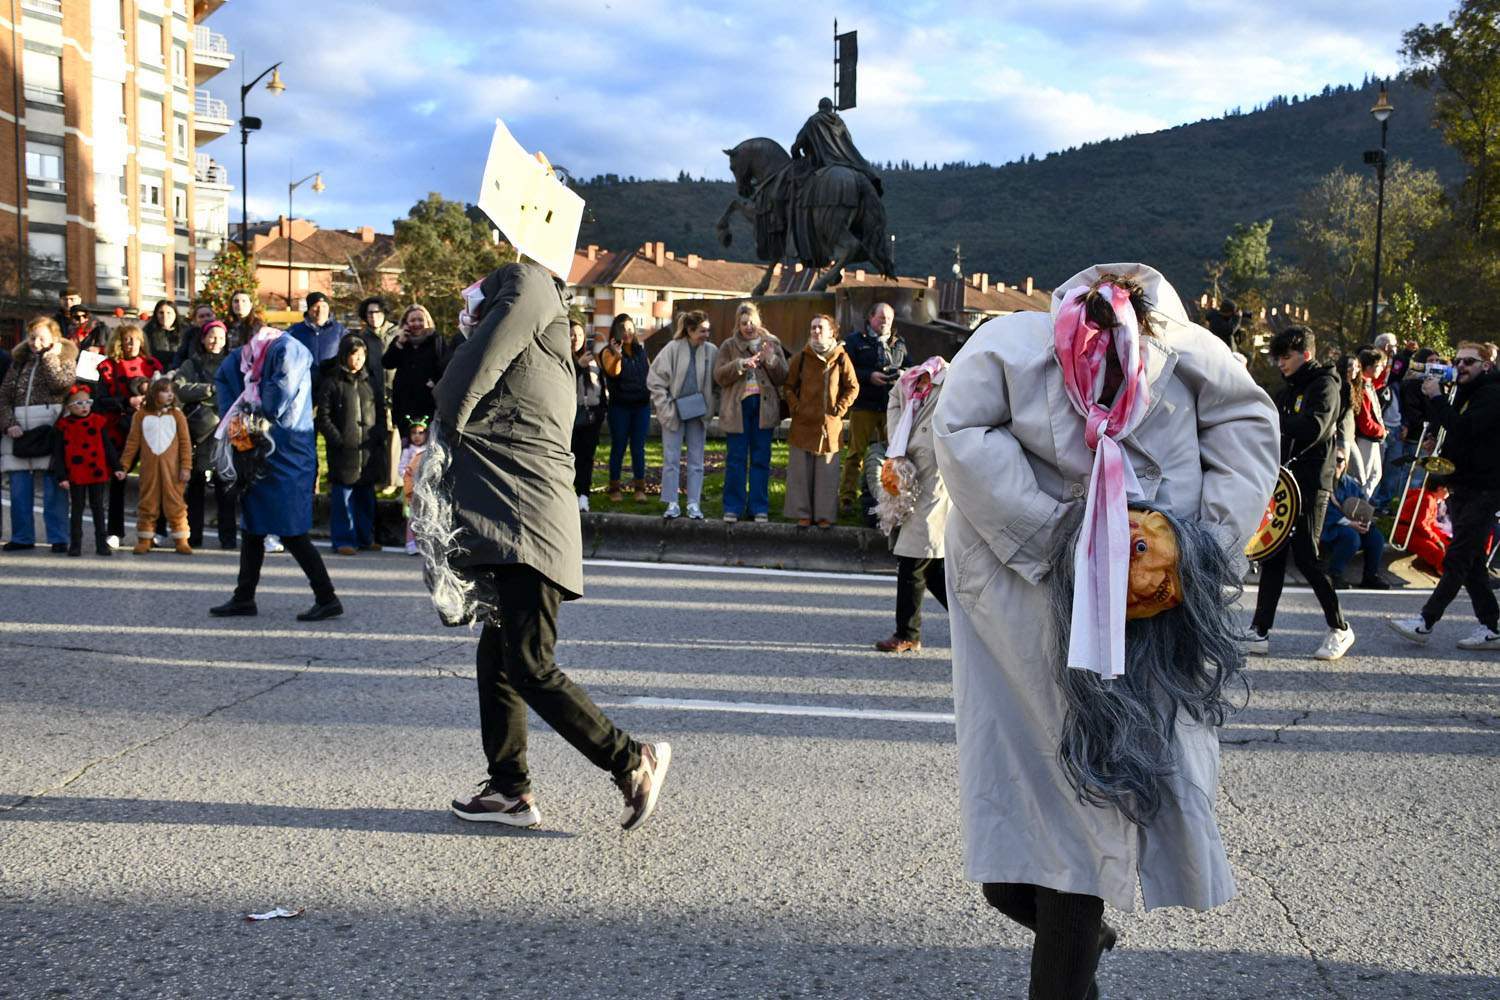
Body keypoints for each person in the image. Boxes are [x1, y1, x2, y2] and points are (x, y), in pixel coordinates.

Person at [933, 264, 1278, 1000]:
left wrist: (1190, 546)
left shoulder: (1192, 352)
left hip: (1146, 623)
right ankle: (1081, 949)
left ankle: (1073, 963)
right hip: (1025, 613)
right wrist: (1059, 536)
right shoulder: (1013, 346)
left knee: (1081, 827)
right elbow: (957, 428)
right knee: (1015, 862)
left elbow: (1250, 431)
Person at [417, 261, 671, 831]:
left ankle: (632, 759)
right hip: (513, 521)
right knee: (499, 655)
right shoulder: (542, 344)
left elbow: (466, 378)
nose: (472, 317)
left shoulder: (529, 284)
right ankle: (509, 789)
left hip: (527, 523)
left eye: (476, 309)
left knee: (529, 662)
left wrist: (440, 431)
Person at [209, 320, 342, 620]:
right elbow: (226, 378)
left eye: (239, 342)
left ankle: (327, 595)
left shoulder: (286, 350)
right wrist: (239, 422)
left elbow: (275, 402)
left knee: (292, 530)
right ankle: (244, 596)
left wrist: (245, 412)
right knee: (253, 527)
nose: (240, 353)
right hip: (265, 448)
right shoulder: (254, 353)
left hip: (287, 451)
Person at [1247, 326, 1356, 661]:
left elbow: (1314, 428)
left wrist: (1273, 421)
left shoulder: (1325, 385)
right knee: (1273, 555)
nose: (1281, 363)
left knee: (1307, 557)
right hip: (1282, 483)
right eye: (1278, 357)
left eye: (1286, 356)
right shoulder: (1286, 390)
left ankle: (1340, 627)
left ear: (1305, 354)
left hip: (1311, 484)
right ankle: (1259, 630)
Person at [1388, 342, 1500, 651]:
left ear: (1486, 366)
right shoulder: (1467, 392)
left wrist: (1437, 398)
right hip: (1464, 485)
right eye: (1459, 360)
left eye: (1470, 362)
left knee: (1457, 557)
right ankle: (1491, 626)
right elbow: (1454, 430)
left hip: (1486, 489)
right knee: (1474, 562)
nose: (1461, 366)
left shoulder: (1492, 394)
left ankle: (1426, 622)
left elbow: (1464, 429)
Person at [874, 357, 951, 651]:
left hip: (935, 478)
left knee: (913, 557)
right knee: (929, 565)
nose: (918, 385)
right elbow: (895, 396)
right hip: (910, 474)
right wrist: (897, 439)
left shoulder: (953, 382)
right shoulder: (912, 380)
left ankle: (907, 633)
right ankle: (977, 622)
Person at [0, 317, 77, 552]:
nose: (35, 342)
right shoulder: (19, 362)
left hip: (49, 430)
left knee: (53, 487)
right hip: (19, 431)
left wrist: (50, 357)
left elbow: (61, 385)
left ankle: (58, 537)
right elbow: (4, 396)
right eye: (32, 337)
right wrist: (8, 423)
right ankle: (22, 536)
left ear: (54, 338)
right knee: (19, 488)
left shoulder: (64, 359)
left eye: (42, 337)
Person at [782, 314, 857, 528]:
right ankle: (803, 513)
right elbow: (788, 386)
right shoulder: (802, 357)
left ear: (832, 331)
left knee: (827, 472)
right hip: (803, 424)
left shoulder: (841, 357)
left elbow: (853, 387)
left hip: (829, 427)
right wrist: (796, 407)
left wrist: (839, 410)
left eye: (820, 328)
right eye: (813, 327)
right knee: (800, 472)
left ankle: (824, 515)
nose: (816, 332)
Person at [714, 302, 787, 523]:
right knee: (736, 459)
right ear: (738, 324)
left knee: (761, 459)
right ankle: (733, 508)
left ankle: (759, 508)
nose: (748, 327)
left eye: (752, 322)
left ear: (759, 321)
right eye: (744, 323)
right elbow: (718, 376)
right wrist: (740, 364)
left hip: (764, 408)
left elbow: (783, 376)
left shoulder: (772, 342)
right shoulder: (728, 346)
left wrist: (771, 360)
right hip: (738, 408)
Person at [93, 324, 165, 548]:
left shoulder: (152, 365)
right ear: (119, 342)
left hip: (152, 429)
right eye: (127, 339)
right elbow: (99, 401)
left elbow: (166, 394)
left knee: (156, 480)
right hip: (120, 429)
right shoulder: (106, 367)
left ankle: (157, 530)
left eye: (136, 339)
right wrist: (126, 402)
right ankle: (115, 531)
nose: (132, 344)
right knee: (118, 478)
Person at [316, 333, 385, 555]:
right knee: (343, 496)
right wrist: (338, 440)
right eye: (354, 355)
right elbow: (323, 417)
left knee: (366, 496)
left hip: (367, 448)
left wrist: (378, 435)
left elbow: (381, 411)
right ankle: (343, 539)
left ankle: (365, 537)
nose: (358, 360)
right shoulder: (332, 382)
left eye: (362, 355)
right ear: (345, 355)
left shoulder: (370, 382)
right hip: (343, 449)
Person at [648, 310, 717, 520]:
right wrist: (666, 408)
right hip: (674, 412)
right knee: (671, 459)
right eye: (702, 331)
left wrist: (711, 405)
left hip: (698, 412)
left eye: (708, 330)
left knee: (697, 460)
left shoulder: (711, 351)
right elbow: (655, 379)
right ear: (690, 330)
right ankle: (672, 502)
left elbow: (718, 381)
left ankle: (694, 503)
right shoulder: (673, 349)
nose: (706, 334)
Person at [840, 302, 907, 514]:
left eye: (889, 318)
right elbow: (846, 370)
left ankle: (888, 498)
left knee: (893, 454)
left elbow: (911, 366)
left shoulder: (899, 344)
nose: (885, 322)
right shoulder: (854, 341)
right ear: (870, 318)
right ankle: (847, 499)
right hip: (864, 405)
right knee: (855, 453)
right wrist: (869, 376)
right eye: (881, 318)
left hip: (891, 406)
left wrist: (902, 373)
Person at [174, 319, 235, 550]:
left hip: (226, 430)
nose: (215, 341)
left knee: (225, 486)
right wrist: (207, 389)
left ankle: (228, 537)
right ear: (203, 338)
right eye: (211, 336)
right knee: (197, 485)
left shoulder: (233, 362)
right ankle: (194, 535)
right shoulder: (193, 363)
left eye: (220, 337)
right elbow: (178, 387)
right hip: (200, 431)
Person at [115, 378, 192, 555]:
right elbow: (132, 443)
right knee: (147, 502)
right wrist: (124, 466)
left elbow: (185, 443)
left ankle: (181, 539)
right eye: (165, 391)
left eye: (172, 391)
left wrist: (186, 467)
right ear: (154, 393)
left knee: (176, 503)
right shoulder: (140, 415)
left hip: (173, 470)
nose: (170, 395)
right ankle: (144, 538)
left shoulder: (178, 415)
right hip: (149, 469)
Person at [51, 384, 117, 557]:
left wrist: (117, 466)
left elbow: (108, 446)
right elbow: (58, 453)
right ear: (69, 407)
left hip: (96, 471)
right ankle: (76, 544)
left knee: (98, 507)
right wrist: (62, 476)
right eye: (79, 403)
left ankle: (101, 543)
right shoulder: (64, 426)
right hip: (76, 472)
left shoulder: (97, 421)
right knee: (77, 508)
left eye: (87, 402)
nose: (84, 407)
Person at [599, 314, 651, 502]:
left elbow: (648, 373)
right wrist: (618, 355)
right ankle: (614, 488)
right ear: (616, 331)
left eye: (630, 329)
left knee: (638, 448)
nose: (628, 333)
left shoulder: (641, 351)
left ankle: (640, 488)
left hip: (641, 406)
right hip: (620, 407)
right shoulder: (607, 352)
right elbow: (614, 372)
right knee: (618, 447)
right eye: (623, 329)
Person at [1321, 448, 1389, 589]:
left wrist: (1366, 521)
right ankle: (1334, 574)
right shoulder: (1322, 482)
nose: (1336, 464)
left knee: (1376, 538)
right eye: (1333, 460)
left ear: (1345, 464)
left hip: (1351, 524)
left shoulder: (1350, 483)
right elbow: (1324, 511)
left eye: (1340, 460)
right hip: (1329, 527)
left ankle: (1370, 576)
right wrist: (1349, 523)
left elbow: (1362, 504)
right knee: (1351, 537)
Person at [384, 304, 447, 443]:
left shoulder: (436, 340)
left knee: (428, 444)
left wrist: (434, 381)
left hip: (428, 402)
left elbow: (445, 366)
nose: (417, 323)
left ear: (427, 321)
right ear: (406, 323)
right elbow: (387, 363)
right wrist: (400, 343)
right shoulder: (401, 341)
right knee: (407, 446)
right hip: (404, 403)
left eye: (420, 320)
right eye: (412, 320)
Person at [569, 321, 608, 512]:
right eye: (571, 334)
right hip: (569, 416)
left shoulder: (593, 360)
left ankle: (584, 494)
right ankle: (570, 493)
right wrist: (577, 366)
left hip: (592, 416)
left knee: (587, 456)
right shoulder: (562, 358)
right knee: (571, 456)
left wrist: (602, 411)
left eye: (579, 335)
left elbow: (601, 385)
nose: (576, 339)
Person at [1351, 347, 1387, 499]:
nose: (1381, 369)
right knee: (1362, 478)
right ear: (1369, 367)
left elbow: (1383, 379)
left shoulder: (1369, 384)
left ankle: (1361, 508)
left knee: (1375, 473)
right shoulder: (1362, 389)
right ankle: (1356, 510)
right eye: (1379, 366)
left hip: (1372, 439)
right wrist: (1381, 431)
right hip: (1365, 439)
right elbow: (1365, 422)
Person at [287, 291, 347, 380]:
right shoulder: (294, 332)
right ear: (309, 309)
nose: (320, 310)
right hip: (304, 383)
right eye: (316, 306)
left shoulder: (340, 331)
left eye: (324, 306)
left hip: (331, 382)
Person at [398, 418, 429, 555]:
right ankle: (411, 544)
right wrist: (408, 473)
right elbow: (401, 468)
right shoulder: (408, 451)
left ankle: (425, 543)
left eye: (420, 433)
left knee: (427, 516)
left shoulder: (429, 450)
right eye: (414, 433)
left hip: (426, 489)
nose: (417, 436)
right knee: (412, 517)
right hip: (411, 489)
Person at [141, 300, 188, 367]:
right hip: (156, 369)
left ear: (175, 314)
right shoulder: (148, 331)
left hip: (180, 369)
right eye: (161, 313)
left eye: (169, 313)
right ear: (156, 314)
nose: (165, 316)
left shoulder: (185, 331)